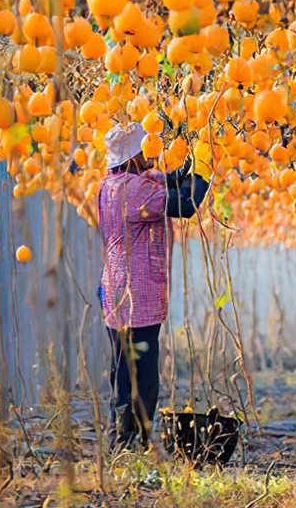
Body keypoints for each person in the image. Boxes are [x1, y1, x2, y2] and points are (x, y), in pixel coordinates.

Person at [96, 122, 210, 449]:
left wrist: (188, 158)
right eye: (145, 153)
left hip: (115, 288)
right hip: (137, 292)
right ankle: (135, 440)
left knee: (122, 367)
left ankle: (121, 439)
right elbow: (185, 205)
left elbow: (171, 178)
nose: (151, 158)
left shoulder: (112, 184)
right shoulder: (133, 190)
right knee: (143, 374)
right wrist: (204, 169)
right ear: (134, 157)